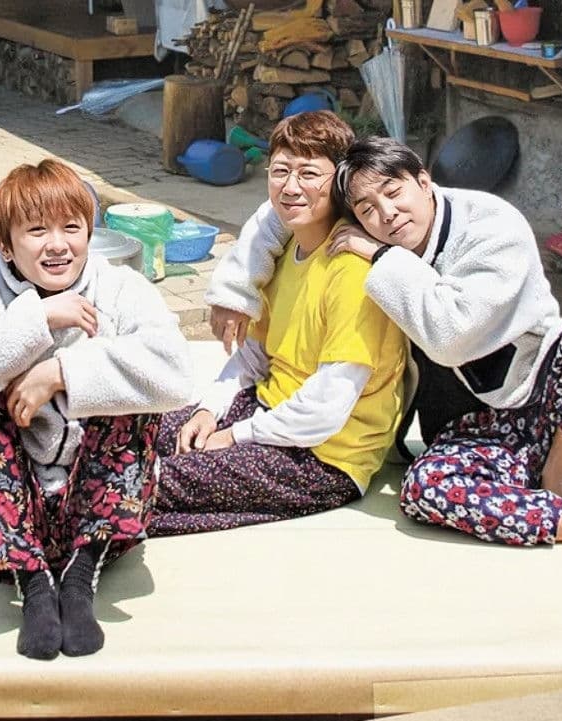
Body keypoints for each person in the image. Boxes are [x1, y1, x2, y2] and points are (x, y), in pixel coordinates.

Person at [206, 135, 562, 564]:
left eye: (394, 192)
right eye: (366, 209)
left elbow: (451, 336)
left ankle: (559, 476)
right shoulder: (363, 227)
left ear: (424, 181)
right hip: (473, 433)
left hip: (553, 410)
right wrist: (233, 290)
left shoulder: (491, 225)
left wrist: (380, 255)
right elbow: (277, 212)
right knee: (424, 491)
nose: (386, 214)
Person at [0, 159, 192, 660]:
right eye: (37, 231)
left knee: (132, 400)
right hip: (3, 520)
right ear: (5, 244)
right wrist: (35, 321)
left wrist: (63, 372)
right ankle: (34, 584)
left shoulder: (120, 288)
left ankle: (81, 577)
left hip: (95, 515)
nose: (58, 245)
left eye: (71, 228)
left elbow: (177, 375)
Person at [148, 111, 407, 537]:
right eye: (281, 171)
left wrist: (233, 437)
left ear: (340, 182)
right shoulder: (283, 252)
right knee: (140, 433)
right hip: (267, 412)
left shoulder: (352, 273)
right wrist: (209, 410)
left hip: (324, 455)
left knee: (152, 482)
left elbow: (326, 409)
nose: (290, 187)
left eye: (309, 173)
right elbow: (253, 356)